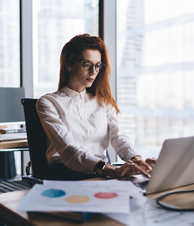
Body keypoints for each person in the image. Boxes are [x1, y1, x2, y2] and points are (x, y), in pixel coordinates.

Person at [36, 34, 156, 180]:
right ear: (69, 64)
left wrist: (137, 159)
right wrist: (109, 170)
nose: (93, 72)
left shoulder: (103, 102)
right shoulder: (48, 103)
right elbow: (68, 150)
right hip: (65, 175)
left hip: (102, 173)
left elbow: (118, 137)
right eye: (87, 64)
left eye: (98, 65)